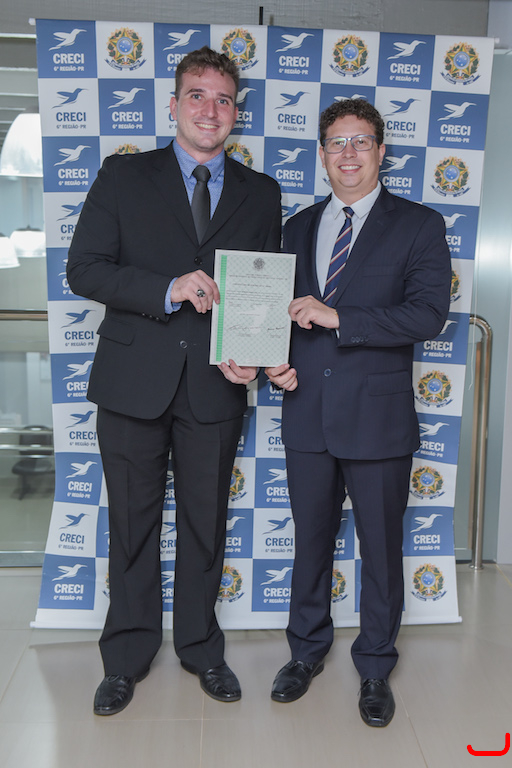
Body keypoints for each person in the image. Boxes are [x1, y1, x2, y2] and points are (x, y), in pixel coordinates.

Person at [67, 46, 282, 715]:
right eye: (197, 95)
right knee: (132, 525)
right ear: (174, 104)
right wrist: (167, 287)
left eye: (223, 99)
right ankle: (126, 658)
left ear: (236, 112)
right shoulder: (124, 175)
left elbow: (261, 291)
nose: (210, 110)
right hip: (133, 380)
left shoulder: (261, 192)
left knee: (205, 523)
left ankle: (200, 648)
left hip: (216, 385)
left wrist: (251, 353)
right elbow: (85, 269)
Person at [265, 99, 451, 726]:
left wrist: (340, 316)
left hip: (378, 418)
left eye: (361, 141)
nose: (348, 153)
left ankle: (374, 665)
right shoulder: (295, 228)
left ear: (380, 151)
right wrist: (272, 361)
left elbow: (428, 315)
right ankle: (305, 652)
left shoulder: (419, 224)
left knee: (380, 547)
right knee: (310, 544)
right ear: (321, 155)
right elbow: (276, 315)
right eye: (336, 143)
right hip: (306, 411)